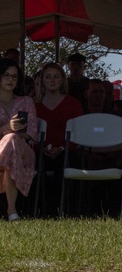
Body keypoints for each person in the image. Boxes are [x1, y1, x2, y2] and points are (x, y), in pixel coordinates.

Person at [32, 62, 84, 216]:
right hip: (40, 151)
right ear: (42, 81)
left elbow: (79, 133)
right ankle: (38, 211)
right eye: (48, 77)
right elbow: (29, 133)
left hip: (67, 150)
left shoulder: (73, 103)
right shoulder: (33, 105)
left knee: (65, 164)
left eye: (56, 76)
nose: (52, 80)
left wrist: (62, 148)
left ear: (62, 80)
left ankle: (62, 212)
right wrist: (40, 148)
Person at [0, 58, 37, 221]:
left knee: (12, 139)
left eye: (14, 77)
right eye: (6, 75)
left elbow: (31, 134)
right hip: (7, 154)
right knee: (10, 147)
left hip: (24, 152)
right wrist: (7, 127)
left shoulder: (26, 102)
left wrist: (12, 132)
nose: (10, 79)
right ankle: (12, 210)